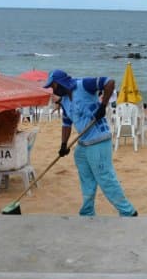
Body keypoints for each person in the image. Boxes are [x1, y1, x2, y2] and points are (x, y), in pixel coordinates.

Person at [43, 69, 138, 217]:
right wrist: (63, 145)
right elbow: (67, 123)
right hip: (83, 144)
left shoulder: (83, 85)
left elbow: (109, 83)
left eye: (53, 86)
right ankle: (87, 211)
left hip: (99, 139)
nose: (52, 89)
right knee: (86, 179)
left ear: (60, 83)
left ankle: (128, 212)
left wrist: (103, 106)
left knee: (105, 177)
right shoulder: (65, 101)